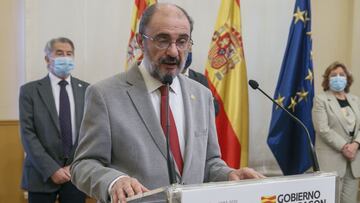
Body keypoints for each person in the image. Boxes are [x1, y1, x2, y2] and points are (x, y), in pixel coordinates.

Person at [71, 3, 264, 203]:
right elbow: (83, 165)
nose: (173, 52)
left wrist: (228, 175)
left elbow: (208, 163)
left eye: (182, 41)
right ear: (140, 41)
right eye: (162, 40)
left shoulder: (202, 95)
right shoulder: (104, 95)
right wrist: (114, 181)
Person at [19, 37, 89, 203]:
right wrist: (52, 170)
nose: (65, 57)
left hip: (76, 175)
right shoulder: (29, 91)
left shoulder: (87, 90)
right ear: (47, 59)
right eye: (59, 53)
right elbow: (27, 134)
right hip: (41, 174)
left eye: (69, 54)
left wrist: (74, 166)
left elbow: (91, 133)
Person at [312, 61, 360, 203]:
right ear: (328, 79)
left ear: (347, 78)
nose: (338, 77)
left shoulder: (355, 100)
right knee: (331, 199)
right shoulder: (321, 99)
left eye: (342, 74)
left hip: (354, 160)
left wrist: (356, 144)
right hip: (331, 159)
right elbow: (322, 128)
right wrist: (345, 146)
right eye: (334, 75)